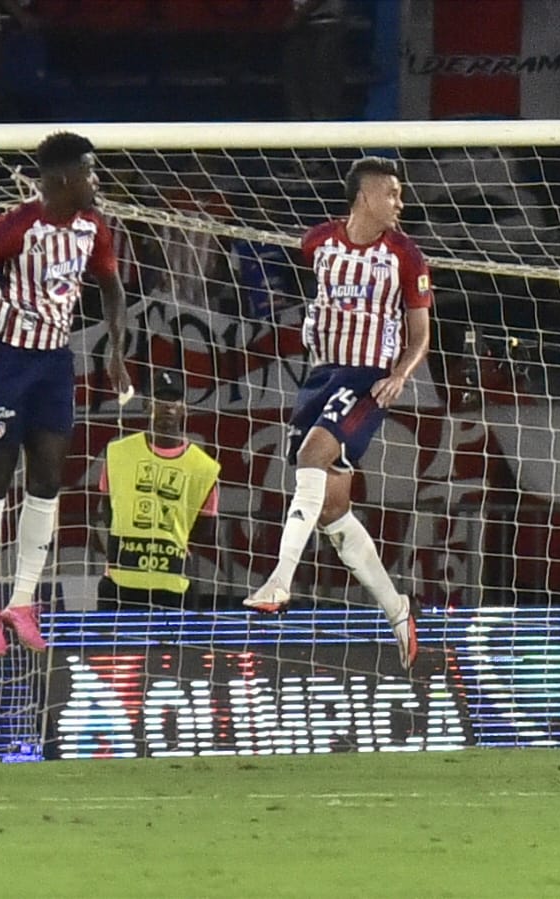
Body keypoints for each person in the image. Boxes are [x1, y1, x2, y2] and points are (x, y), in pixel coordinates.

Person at [0, 130, 128, 656]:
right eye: (90, 172)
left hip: (54, 363)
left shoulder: (93, 227)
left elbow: (112, 286)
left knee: (47, 477)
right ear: (64, 178)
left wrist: (114, 350)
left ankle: (22, 600)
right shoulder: (17, 226)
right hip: (5, 361)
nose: (97, 181)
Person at [241, 156, 428, 672]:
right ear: (365, 196)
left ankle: (280, 581)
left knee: (311, 456)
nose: (399, 202)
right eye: (391, 193)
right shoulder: (318, 241)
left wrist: (399, 375)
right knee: (331, 510)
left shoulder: (406, 256)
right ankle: (397, 608)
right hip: (320, 376)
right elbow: (319, 297)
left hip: (368, 381)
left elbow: (420, 335)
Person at [94, 370, 220, 610]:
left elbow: (205, 527)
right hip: (119, 584)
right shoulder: (118, 453)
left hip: (174, 586)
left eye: (174, 399)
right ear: (147, 405)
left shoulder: (203, 467)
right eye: (159, 399)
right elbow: (108, 510)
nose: (167, 406)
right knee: (115, 648)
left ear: (184, 408)